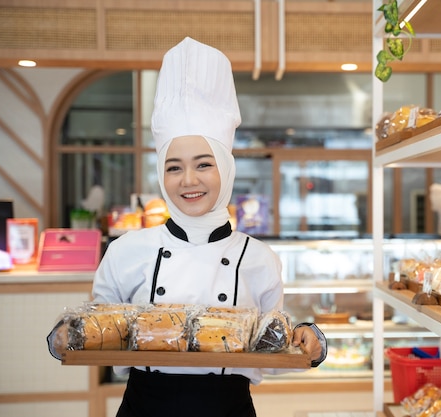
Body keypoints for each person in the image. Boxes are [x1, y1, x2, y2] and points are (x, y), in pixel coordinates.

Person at [91, 37, 326, 417]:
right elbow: (95, 330)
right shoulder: (125, 251)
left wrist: (312, 339)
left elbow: (274, 339)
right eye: (174, 167)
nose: (188, 180)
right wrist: (62, 335)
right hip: (144, 408)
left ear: (226, 170)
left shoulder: (258, 257)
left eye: (203, 164)